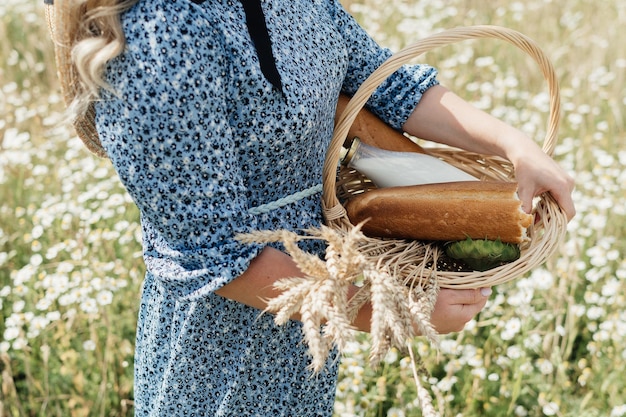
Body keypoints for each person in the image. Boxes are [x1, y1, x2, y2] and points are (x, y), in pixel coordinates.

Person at [46, 0, 576, 415]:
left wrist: (515, 146)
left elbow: (381, 84)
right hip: (218, 348)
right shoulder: (161, 32)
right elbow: (214, 258)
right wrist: (392, 311)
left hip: (312, 318)